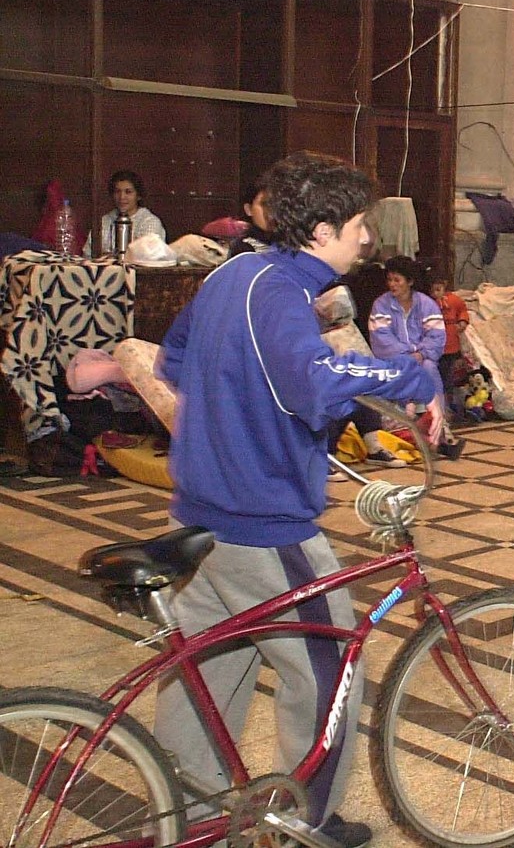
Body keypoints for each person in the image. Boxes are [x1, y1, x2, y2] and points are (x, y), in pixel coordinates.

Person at [153, 151, 444, 848]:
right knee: (329, 669)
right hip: (264, 524)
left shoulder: (233, 273)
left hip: (200, 513)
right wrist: (412, 378)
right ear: (321, 230)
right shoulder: (280, 292)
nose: (368, 239)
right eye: (358, 224)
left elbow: (172, 359)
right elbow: (313, 379)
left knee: (206, 673)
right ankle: (303, 824)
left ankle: (188, 819)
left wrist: (239, 413)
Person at [370, 256, 465, 461]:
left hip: (423, 359)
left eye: (397, 280)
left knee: (429, 367)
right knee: (412, 369)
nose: (392, 285)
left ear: (410, 281)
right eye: (390, 280)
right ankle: (434, 433)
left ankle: (439, 428)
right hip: (395, 361)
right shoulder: (381, 305)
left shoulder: (426, 304)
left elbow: (437, 336)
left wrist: (421, 353)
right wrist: (408, 355)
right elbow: (381, 339)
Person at [96, 169, 166, 255]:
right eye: (117, 192)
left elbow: (147, 257)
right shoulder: (104, 220)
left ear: (138, 196)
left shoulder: (150, 222)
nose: (122, 197)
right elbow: (89, 254)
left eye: (128, 192)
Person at [429, 274, 469, 406]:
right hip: (435, 346)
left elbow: (462, 309)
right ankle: (440, 403)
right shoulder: (428, 303)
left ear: (444, 286)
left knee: (449, 375)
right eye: (433, 290)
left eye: (438, 289)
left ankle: (449, 402)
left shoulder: (454, 300)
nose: (435, 293)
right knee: (437, 375)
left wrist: (462, 321)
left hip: (451, 345)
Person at [227, 178, 273, 258]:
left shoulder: (293, 244)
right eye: (264, 204)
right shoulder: (243, 248)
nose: (271, 209)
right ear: (248, 209)